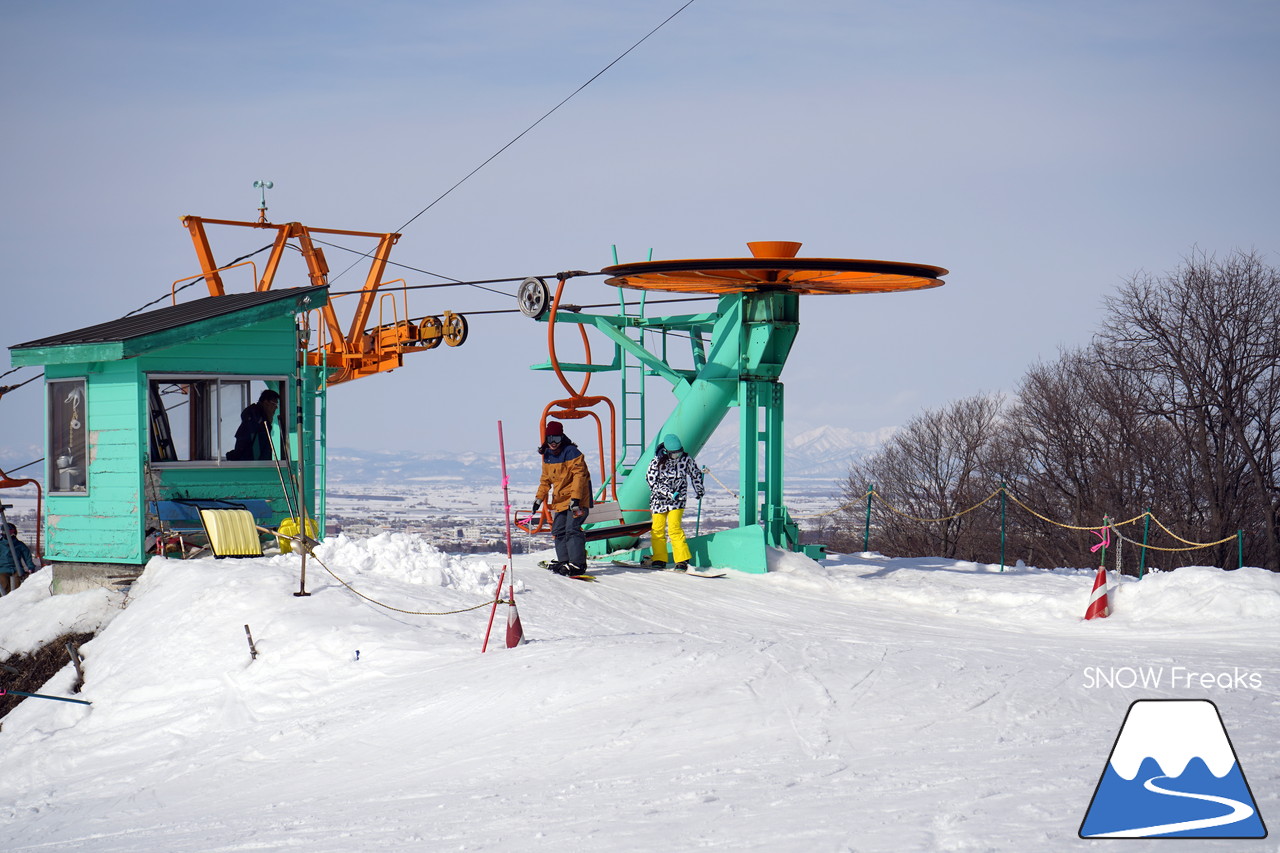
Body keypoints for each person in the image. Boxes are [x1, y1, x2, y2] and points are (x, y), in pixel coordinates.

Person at [533, 421, 592, 576]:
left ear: (562, 437)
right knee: (558, 530)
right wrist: (539, 498)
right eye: (550, 438)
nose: (553, 443)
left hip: (577, 499)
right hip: (561, 500)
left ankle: (577, 564)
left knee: (572, 529)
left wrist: (576, 499)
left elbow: (580, 476)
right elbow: (546, 479)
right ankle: (564, 561)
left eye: (557, 439)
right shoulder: (547, 455)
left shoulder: (571, 452)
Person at [645, 433, 705, 571]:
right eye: (674, 454)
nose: (677, 457)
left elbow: (695, 474)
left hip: (677, 501)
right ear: (666, 451)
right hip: (659, 500)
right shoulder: (656, 462)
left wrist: (699, 489)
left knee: (674, 528)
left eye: (679, 453)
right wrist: (669, 493)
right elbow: (651, 482)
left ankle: (682, 560)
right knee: (657, 530)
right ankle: (659, 558)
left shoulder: (686, 459)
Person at [227, 389, 280, 461]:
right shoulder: (256, 420)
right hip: (251, 467)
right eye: (274, 404)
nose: (276, 407)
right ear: (266, 403)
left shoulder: (258, 418)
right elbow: (250, 448)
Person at [0, 522, 38, 594]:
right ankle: (4, 599)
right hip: (2, 569)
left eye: (12, 532)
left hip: (16, 568)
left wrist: (30, 567)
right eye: (9, 532)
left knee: (17, 583)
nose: (11, 534)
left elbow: (27, 556)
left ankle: (16, 598)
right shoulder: (1, 544)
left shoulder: (19, 544)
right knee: (4, 583)